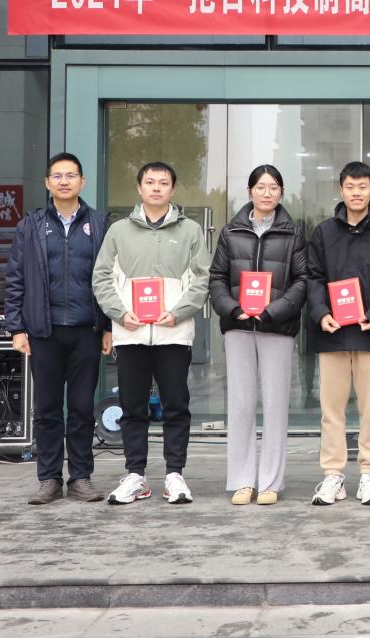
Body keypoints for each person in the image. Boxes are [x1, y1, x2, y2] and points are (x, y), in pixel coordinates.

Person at [91, 161, 210, 506]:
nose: (156, 188)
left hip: (173, 333)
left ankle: (175, 475)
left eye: (163, 183)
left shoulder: (190, 231)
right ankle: (135, 475)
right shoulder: (118, 231)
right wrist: (119, 313)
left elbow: (202, 278)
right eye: (150, 182)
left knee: (176, 405)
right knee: (132, 407)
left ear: (172, 189)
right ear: (139, 188)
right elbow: (102, 277)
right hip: (131, 333)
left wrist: (178, 312)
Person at [4, 152, 111, 505]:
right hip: (43, 330)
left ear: (82, 181)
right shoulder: (30, 225)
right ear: (47, 183)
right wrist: (17, 327)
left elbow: (112, 279)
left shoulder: (100, 224)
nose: (64, 181)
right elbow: (15, 278)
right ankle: (49, 478)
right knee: (47, 408)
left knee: (81, 408)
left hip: (86, 330)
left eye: (71, 175)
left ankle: (80, 477)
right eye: (57, 176)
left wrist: (109, 326)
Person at [306, 161, 370, 507]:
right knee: (330, 411)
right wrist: (321, 313)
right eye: (350, 187)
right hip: (332, 334)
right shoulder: (324, 232)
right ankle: (333, 475)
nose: (356, 193)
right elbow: (313, 278)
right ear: (341, 190)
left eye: (363, 187)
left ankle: (368, 474)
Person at [209, 165, 307, 506]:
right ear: (250, 191)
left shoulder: (293, 233)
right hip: (238, 327)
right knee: (241, 405)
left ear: (281, 193)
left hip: (277, 328)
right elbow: (217, 277)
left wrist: (273, 311)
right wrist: (232, 308)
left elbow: (302, 281)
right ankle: (241, 481)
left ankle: (270, 482)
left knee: (276, 405)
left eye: (274, 187)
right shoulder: (231, 231)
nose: (267, 193)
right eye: (261, 187)